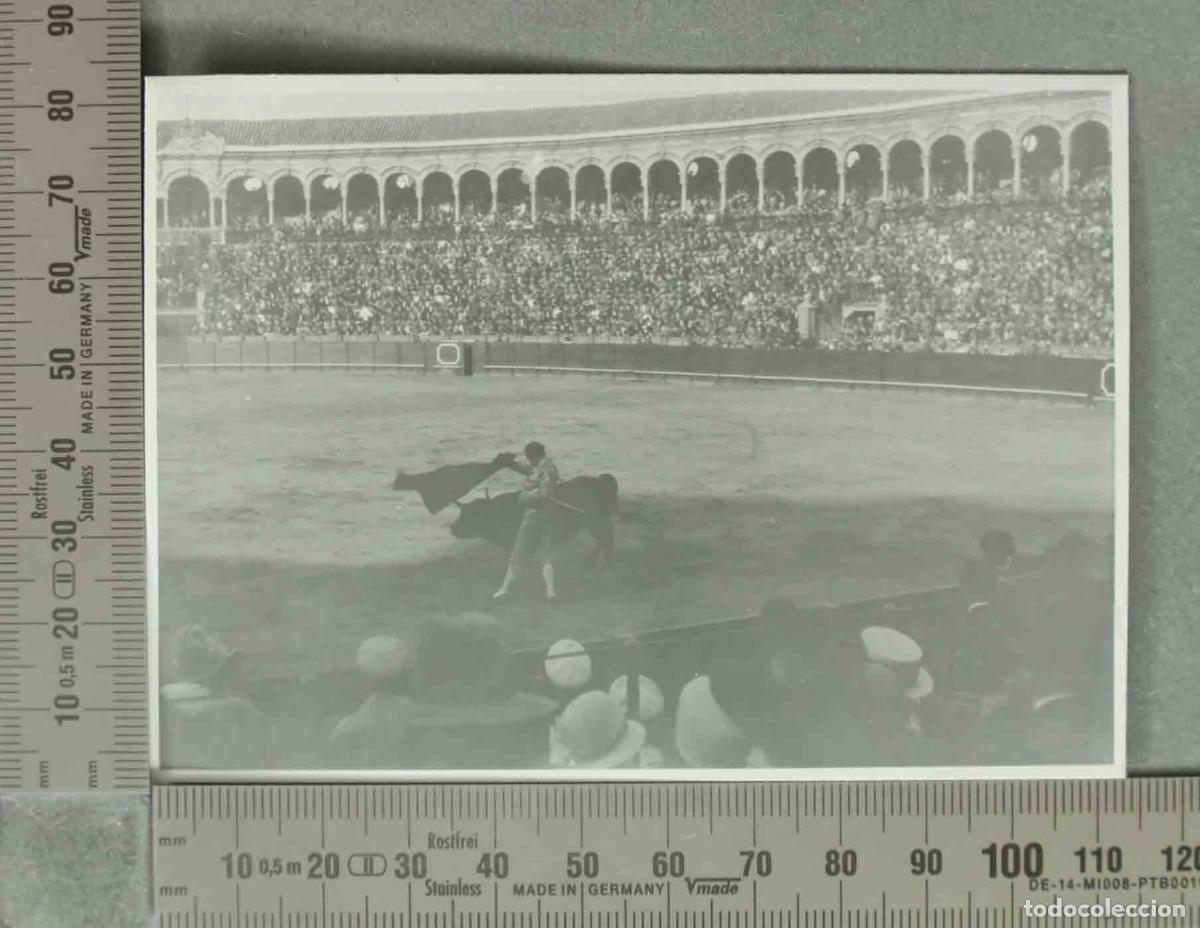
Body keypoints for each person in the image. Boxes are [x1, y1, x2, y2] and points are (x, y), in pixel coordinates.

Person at [493, 441, 561, 601]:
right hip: (548, 513)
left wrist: (523, 497)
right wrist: (511, 464)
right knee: (546, 553)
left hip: (534, 514)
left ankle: (504, 589)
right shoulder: (546, 465)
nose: (529, 461)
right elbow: (529, 470)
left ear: (534, 455)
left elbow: (544, 494)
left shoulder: (545, 469)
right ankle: (551, 593)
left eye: (529, 458)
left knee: (518, 552)